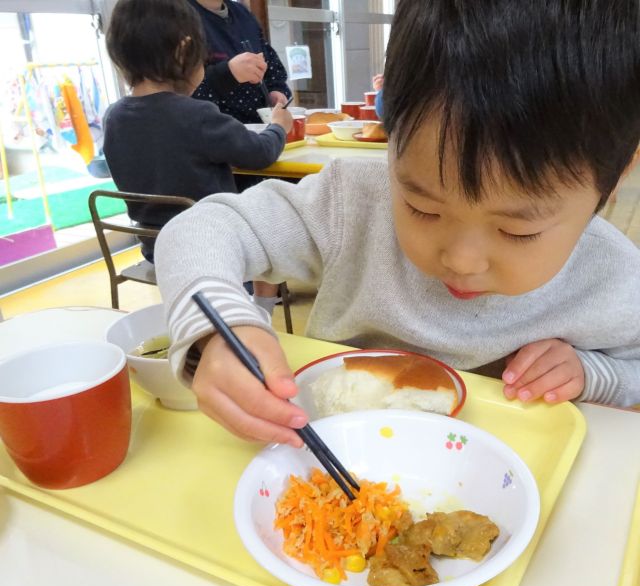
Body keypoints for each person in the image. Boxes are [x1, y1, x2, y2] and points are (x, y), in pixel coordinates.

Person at [155, 0, 640, 447]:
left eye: (518, 231)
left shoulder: (615, 278)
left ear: (613, 179)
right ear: (392, 135)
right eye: (422, 207)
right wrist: (217, 330)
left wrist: (592, 373)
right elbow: (203, 228)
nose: (461, 260)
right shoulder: (354, 202)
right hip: (330, 463)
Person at [102, 0, 292, 264]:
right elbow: (259, 153)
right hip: (211, 243)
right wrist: (279, 127)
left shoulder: (113, 117)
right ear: (183, 52)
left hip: (157, 248)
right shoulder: (196, 114)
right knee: (270, 217)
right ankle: (261, 304)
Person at [188, 0, 292, 123]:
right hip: (212, 133)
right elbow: (176, 92)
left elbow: (272, 68)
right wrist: (229, 73)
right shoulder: (174, 15)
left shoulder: (242, 13)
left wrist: (275, 91)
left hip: (260, 132)